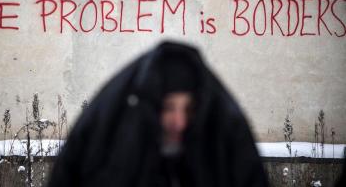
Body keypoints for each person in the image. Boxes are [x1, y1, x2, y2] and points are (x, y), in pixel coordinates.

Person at [48, 41, 269, 187]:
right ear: (151, 104)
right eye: (169, 108)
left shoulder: (223, 136)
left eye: (189, 110)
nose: (179, 122)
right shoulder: (114, 139)